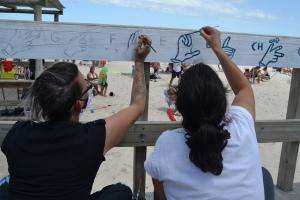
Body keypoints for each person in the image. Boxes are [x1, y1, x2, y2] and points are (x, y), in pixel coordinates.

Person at [0, 35, 152, 200]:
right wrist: (139, 61)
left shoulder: (18, 133)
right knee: (121, 191)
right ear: (79, 105)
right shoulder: (92, 137)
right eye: (87, 89)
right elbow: (137, 106)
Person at [145, 27, 269, 200]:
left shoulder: (167, 143)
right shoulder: (242, 127)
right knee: (265, 177)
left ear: (179, 106)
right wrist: (217, 48)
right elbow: (243, 88)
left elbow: (160, 195)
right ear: (222, 102)